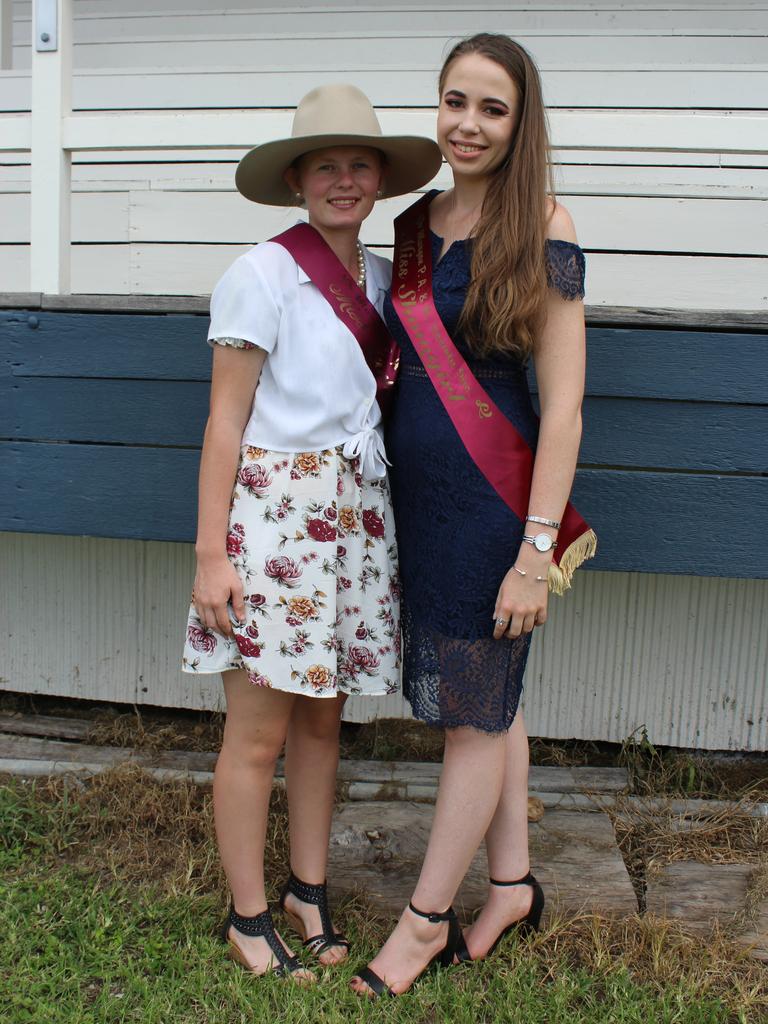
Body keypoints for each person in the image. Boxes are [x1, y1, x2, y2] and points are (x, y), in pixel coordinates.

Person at [351, 34, 596, 997]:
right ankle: (511, 888)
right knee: (493, 705)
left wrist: (535, 552)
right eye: (456, 102)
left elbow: (566, 404)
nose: (469, 124)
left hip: (497, 512)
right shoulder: (414, 227)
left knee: (470, 721)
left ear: (519, 121)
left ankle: (422, 925)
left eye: (492, 108)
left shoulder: (544, 223)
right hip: (420, 504)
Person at [181, 83, 441, 982]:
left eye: (360, 164)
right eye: (325, 165)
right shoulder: (260, 273)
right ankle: (248, 917)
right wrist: (212, 556)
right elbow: (225, 421)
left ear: (379, 181)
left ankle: (307, 891)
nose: (344, 179)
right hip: (276, 520)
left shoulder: (380, 280)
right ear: (297, 179)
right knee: (257, 736)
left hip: (356, 521)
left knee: (324, 728)